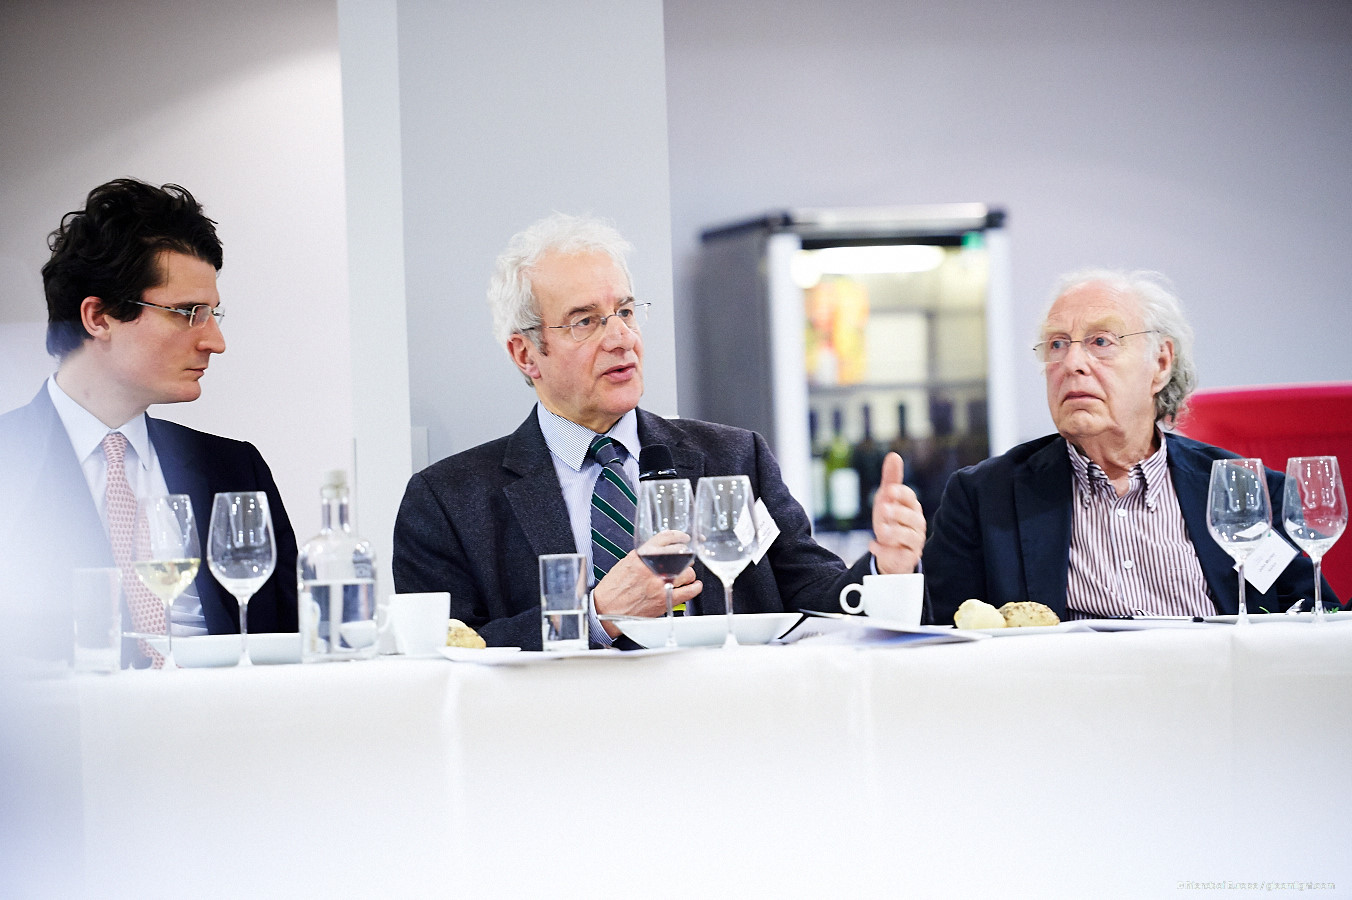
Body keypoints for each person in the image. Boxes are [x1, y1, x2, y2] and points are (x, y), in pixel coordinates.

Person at [393, 213, 926, 648]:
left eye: (625, 311)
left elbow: (819, 602)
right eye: (586, 321)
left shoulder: (734, 458)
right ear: (526, 353)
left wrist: (885, 569)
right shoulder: (448, 501)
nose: (622, 337)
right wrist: (595, 615)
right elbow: (447, 657)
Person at [923, 269, 1336, 624]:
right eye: (1057, 344)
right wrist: (896, 571)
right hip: (1067, 707)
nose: (1071, 363)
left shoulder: (1250, 491)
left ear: (1160, 363)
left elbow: (1316, 621)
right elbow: (937, 635)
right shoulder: (982, 498)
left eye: (1101, 341)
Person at [0, 178, 299, 666]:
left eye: (213, 313)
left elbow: (289, 643)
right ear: (98, 318)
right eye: (187, 313)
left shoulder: (234, 469)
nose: (214, 341)